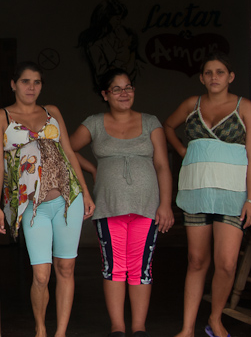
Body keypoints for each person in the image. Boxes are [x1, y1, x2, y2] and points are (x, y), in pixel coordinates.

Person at [0, 62, 95, 337]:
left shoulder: (52, 112)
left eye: (37, 82)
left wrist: (85, 190)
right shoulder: (0, 117)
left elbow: (70, 153)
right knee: (41, 274)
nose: (31, 87)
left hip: (67, 199)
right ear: (13, 84)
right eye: (25, 81)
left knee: (66, 266)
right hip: (31, 206)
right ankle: (40, 328)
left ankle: (60, 333)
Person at [69, 68, 174, 337]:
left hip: (147, 205)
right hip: (109, 205)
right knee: (114, 266)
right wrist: (92, 169)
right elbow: (66, 148)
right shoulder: (94, 122)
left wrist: (165, 205)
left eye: (128, 87)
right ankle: (118, 327)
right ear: (105, 94)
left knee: (141, 267)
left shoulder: (151, 122)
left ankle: (138, 328)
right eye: (116, 89)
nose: (124, 93)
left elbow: (162, 165)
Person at [163, 52, 251, 337]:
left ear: (230, 77)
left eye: (220, 72)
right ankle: (187, 328)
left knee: (227, 263)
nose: (214, 77)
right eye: (208, 72)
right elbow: (168, 126)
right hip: (196, 191)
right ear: (202, 78)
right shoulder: (192, 104)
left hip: (232, 194)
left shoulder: (245, 107)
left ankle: (215, 319)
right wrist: (182, 151)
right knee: (196, 260)